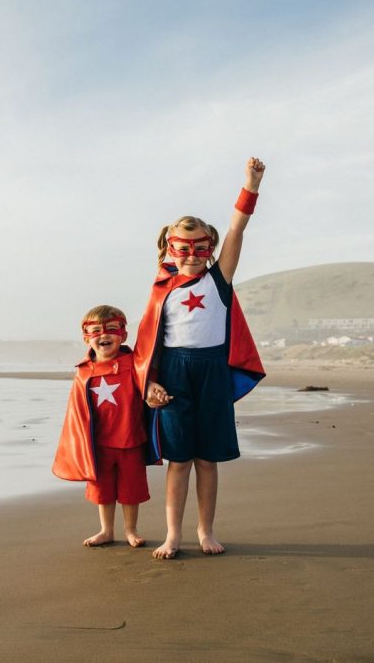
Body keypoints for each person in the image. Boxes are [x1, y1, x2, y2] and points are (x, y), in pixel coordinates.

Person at [134, 157, 267, 559]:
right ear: (168, 249)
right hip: (174, 373)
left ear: (209, 249)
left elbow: (236, 229)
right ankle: (173, 535)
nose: (191, 255)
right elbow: (150, 344)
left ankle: (205, 531)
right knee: (179, 460)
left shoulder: (219, 278)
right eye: (182, 248)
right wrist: (151, 383)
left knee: (208, 460)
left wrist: (251, 185)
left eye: (199, 248)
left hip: (212, 371)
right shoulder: (162, 289)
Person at [52, 305, 160, 548]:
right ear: (86, 338)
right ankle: (106, 530)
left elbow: (148, 382)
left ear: (123, 335)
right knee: (103, 491)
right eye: (96, 331)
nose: (104, 335)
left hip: (131, 439)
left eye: (111, 329)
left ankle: (131, 530)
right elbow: (76, 414)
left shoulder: (134, 363)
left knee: (131, 490)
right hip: (98, 444)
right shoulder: (84, 372)